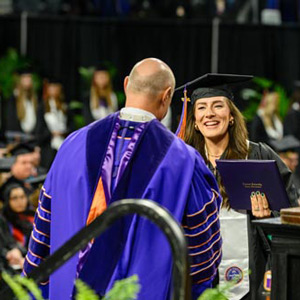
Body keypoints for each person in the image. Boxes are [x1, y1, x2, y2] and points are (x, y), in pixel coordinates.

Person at [23, 58, 222, 300]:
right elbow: (202, 254)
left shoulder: (71, 146)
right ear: (167, 95)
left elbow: (42, 232)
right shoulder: (184, 160)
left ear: (127, 84)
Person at [182, 73, 299, 300]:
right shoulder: (187, 164)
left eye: (218, 105)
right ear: (195, 121)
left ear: (232, 116)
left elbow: (290, 216)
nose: (210, 114)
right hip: (202, 277)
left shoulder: (258, 155)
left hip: (254, 278)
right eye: (202, 108)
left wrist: (266, 220)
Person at [38, 79, 69, 169]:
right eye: (51, 87)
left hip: (63, 145)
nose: (54, 90)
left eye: (56, 87)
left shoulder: (65, 107)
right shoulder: (42, 107)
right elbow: (39, 130)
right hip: (48, 148)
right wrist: (51, 133)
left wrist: (63, 133)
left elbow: (71, 126)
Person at [1, 183, 35, 248]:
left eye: (22, 197)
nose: (19, 201)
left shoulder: (33, 215)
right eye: (14, 198)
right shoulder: (4, 221)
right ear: (7, 201)